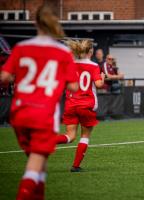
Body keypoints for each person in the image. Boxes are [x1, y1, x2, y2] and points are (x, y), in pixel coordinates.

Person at [0, 5, 78, 200]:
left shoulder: (21, 47)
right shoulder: (62, 52)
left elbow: (5, 76)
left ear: (35, 22)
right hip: (43, 113)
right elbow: (74, 87)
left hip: (19, 113)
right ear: (55, 24)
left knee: (39, 164)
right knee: (33, 167)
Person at [56, 39, 105, 172]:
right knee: (85, 136)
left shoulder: (71, 64)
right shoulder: (94, 66)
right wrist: (103, 76)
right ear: (91, 51)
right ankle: (76, 166)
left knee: (70, 136)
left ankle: (48, 140)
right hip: (86, 105)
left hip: (71, 104)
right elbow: (99, 85)